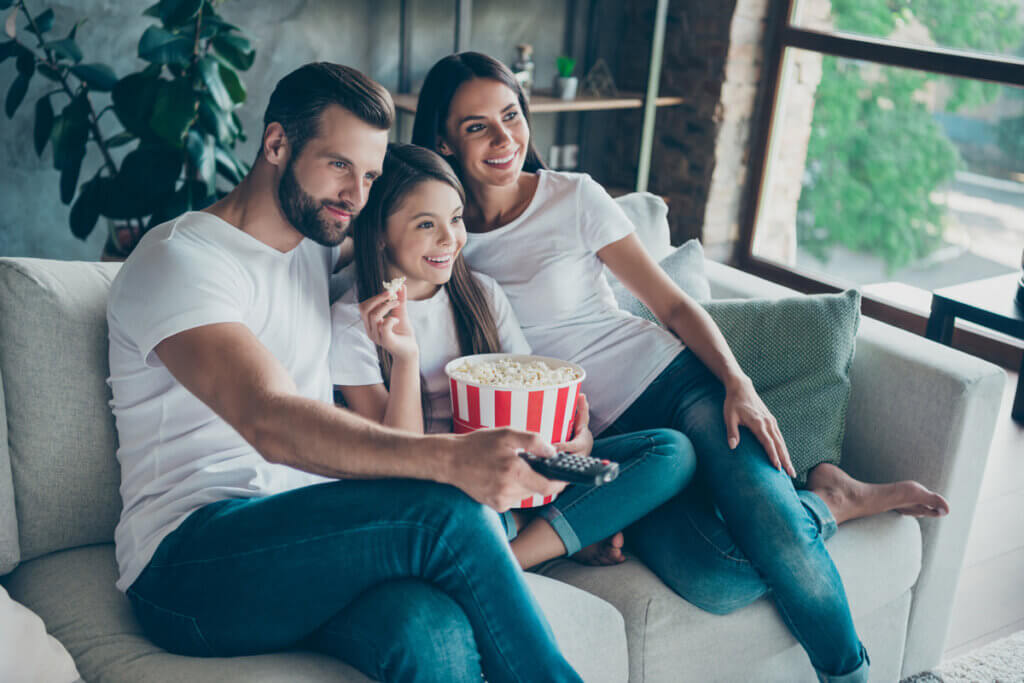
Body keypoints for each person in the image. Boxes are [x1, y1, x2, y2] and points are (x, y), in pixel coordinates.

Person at [411, 51, 952, 683]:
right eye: (478, 126)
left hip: (672, 385)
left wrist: (736, 383)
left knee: (776, 533)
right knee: (717, 576)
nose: (504, 138)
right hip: (610, 443)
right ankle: (830, 501)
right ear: (445, 137)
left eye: (511, 115)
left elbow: (671, 302)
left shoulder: (572, 197)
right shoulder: (441, 232)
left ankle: (850, 672)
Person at [106, 61, 587, 683]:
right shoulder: (182, 259)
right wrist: (450, 460)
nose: (356, 197)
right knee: (443, 512)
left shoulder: (318, 241)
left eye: (368, 176)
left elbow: (423, 228)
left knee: (426, 628)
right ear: (276, 143)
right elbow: (269, 419)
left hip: (307, 539)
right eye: (339, 166)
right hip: (189, 564)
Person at [331, 141, 696, 570]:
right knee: (463, 516)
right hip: (442, 490)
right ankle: (542, 541)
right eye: (426, 224)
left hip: (519, 467)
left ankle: (517, 547)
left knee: (670, 453)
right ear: (378, 234)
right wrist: (406, 358)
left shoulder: (482, 293)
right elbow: (399, 466)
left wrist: (575, 441)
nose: (450, 239)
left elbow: (528, 394)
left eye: (454, 218)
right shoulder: (350, 325)